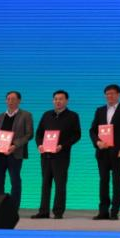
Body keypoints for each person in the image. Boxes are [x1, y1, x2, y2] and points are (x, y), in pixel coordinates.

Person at [32, 90, 82, 219]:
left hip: (61, 156)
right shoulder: (46, 115)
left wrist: (62, 146)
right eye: (55, 99)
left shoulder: (73, 116)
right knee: (45, 184)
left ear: (66, 101)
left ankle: (58, 212)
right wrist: (39, 145)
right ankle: (43, 211)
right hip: (45, 155)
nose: (58, 101)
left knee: (60, 184)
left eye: (60, 99)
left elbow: (77, 135)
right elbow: (39, 133)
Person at [89, 84, 120, 220]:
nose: (110, 96)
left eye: (113, 93)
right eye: (107, 94)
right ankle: (103, 211)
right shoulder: (100, 110)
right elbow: (92, 130)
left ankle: (114, 211)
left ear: (119, 95)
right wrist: (97, 142)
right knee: (103, 182)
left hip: (118, 152)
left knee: (117, 182)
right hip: (102, 152)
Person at [0, 90, 33, 211]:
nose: (10, 101)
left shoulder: (26, 115)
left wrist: (15, 145)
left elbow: (29, 134)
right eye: (8, 99)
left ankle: (13, 208)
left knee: (15, 181)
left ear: (19, 101)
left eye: (13, 99)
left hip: (15, 153)